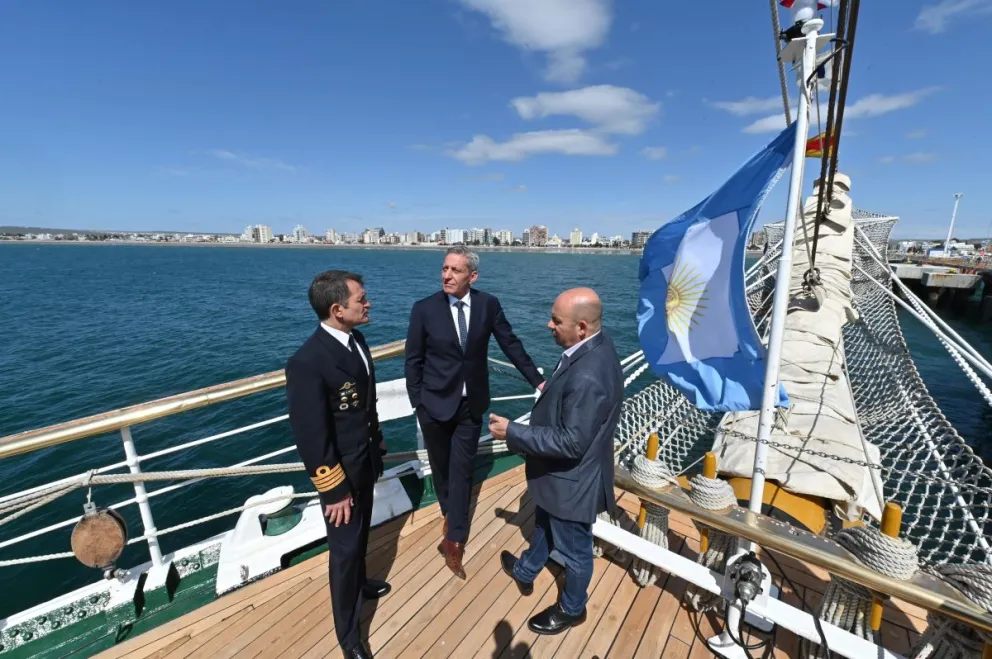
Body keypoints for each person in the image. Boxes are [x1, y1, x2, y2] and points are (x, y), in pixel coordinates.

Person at [488, 287, 623, 635]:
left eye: (556, 321)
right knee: (545, 525)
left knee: (576, 551)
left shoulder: (588, 375)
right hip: (560, 478)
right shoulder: (598, 346)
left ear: (581, 327)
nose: (548, 325)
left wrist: (512, 432)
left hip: (573, 482)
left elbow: (571, 442)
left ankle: (572, 608)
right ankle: (526, 570)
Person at [405, 246, 545, 579]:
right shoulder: (424, 309)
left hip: (471, 406)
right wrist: (418, 403)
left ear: (473, 276)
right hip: (434, 406)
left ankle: (454, 541)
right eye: (444, 268)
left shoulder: (488, 305)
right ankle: (449, 512)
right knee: (441, 468)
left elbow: (510, 344)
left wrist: (538, 381)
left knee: (463, 470)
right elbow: (413, 360)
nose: (447, 275)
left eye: (455, 270)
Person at [285, 270, 390, 659]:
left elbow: (365, 405)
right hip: (340, 477)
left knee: (361, 535)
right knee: (344, 554)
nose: (368, 303)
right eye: (361, 299)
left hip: (365, 461)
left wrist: (377, 445)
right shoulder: (307, 362)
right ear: (337, 309)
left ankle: (361, 584)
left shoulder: (355, 340)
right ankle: (349, 636)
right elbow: (312, 436)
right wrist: (333, 491)